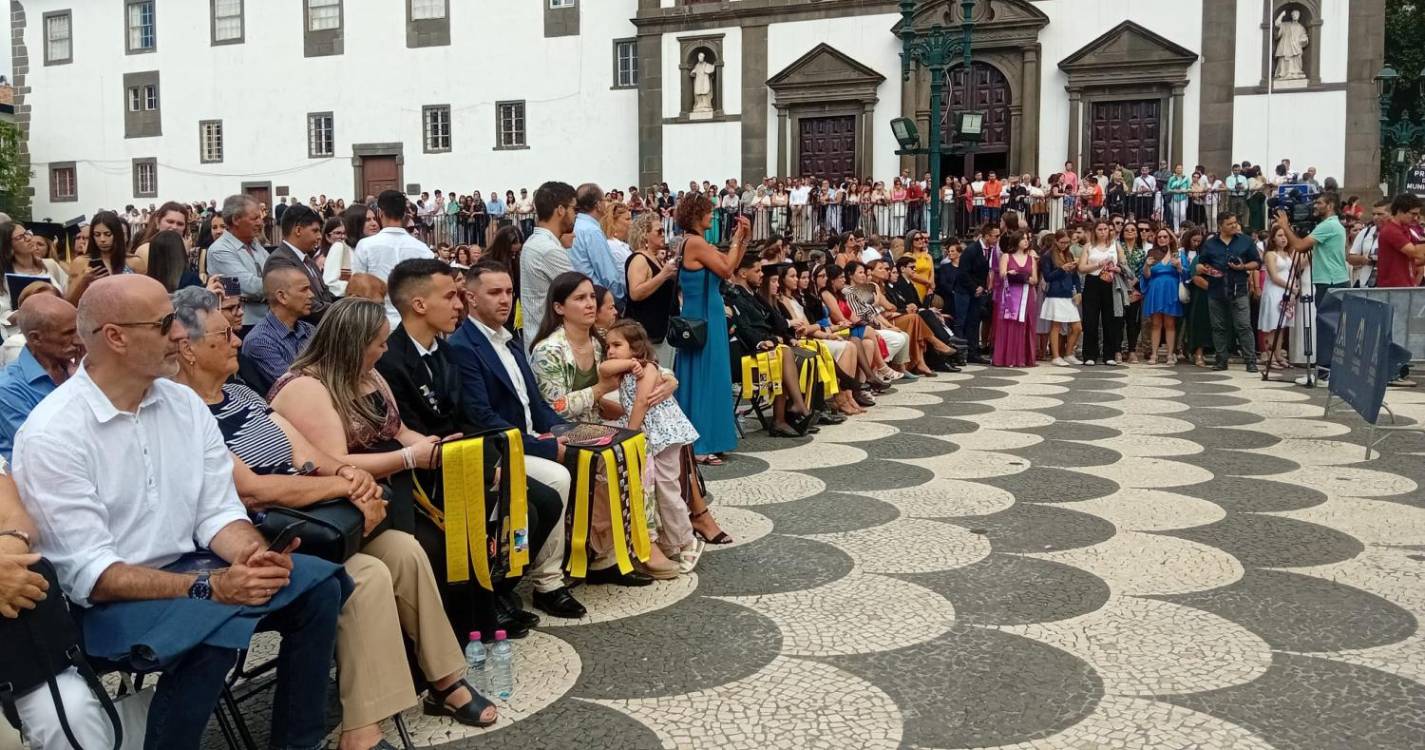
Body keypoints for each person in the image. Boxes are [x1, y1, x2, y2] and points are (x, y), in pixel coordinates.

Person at [12, 275, 345, 750]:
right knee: (214, 631)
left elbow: (216, 512)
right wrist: (210, 586)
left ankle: (298, 743)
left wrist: (251, 555)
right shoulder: (54, 434)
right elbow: (92, 576)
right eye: (165, 323)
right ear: (115, 337)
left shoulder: (182, 404)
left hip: (192, 575)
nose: (178, 335)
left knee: (317, 589)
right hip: (108, 605)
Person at [168, 287, 497, 749]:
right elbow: (250, 488)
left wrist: (349, 477)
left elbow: (312, 455)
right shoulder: (183, 412)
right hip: (266, 534)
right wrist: (345, 485)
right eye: (225, 333)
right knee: (367, 577)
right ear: (188, 348)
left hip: (319, 518)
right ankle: (362, 731)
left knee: (404, 549)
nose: (238, 340)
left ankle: (444, 680)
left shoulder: (240, 392)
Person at [374, 259, 576, 627]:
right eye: (450, 296)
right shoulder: (392, 359)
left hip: (466, 454)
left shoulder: (444, 350)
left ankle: (500, 586)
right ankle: (488, 597)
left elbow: (466, 419)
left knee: (541, 501)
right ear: (419, 305)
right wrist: (488, 463)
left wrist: (493, 460)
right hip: (424, 472)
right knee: (531, 504)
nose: (458, 305)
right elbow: (409, 430)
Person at [448, 261, 604, 607]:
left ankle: (597, 556)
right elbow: (481, 418)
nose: (505, 300)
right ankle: (547, 583)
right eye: (495, 293)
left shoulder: (511, 339)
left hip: (531, 438)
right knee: (558, 476)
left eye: (509, 292)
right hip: (498, 448)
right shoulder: (462, 346)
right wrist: (546, 446)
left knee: (601, 451)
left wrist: (565, 433)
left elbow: (536, 403)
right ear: (470, 298)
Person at [528, 272, 682, 579]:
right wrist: (599, 391)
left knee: (652, 440)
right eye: (580, 298)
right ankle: (629, 546)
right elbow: (553, 409)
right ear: (559, 308)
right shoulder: (548, 351)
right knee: (628, 452)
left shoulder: (600, 343)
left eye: (591, 298)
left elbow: (642, 360)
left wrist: (669, 380)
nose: (590, 304)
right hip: (562, 432)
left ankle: (635, 542)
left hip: (600, 424)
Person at [674, 194, 748, 466]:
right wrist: (738, 238)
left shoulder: (694, 242)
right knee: (705, 378)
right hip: (704, 315)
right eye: (709, 211)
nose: (713, 216)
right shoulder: (694, 243)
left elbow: (730, 265)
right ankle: (701, 444)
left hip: (703, 312)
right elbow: (728, 270)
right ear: (696, 214)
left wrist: (743, 239)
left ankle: (709, 440)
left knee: (709, 376)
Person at [1275, 192, 1347, 383]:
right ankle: (1326, 371)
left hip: (1330, 281)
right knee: (1328, 326)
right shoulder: (1332, 225)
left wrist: (1285, 227)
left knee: (1326, 327)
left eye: (1319, 203)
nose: (1315, 206)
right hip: (1332, 279)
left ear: (1330, 205)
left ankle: (1324, 373)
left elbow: (1299, 246)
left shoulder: (1328, 225)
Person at [0, 295, 81, 462]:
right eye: (68, 333)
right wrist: (79, 386)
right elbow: (45, 451)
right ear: (36, 338)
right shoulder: (8, 388)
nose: (78, 339)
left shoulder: (75, 368)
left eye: (78, 329)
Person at [352, 190, 436, 327]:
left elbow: (358, 288)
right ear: (404, 214)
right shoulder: (423, 249)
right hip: (414, 322)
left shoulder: (365, 246)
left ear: (380, 212)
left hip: (377, 322)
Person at [1200, 211, 1261, 372]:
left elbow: (1256, 262)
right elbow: (1201, 264)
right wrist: (1208, 270)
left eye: (1235, 222)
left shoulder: (1246, 241)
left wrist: (1243, 267)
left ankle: (1250, 360)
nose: (1234, 225)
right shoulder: (1210, 244)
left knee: (1244, 325)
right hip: (1216, 289)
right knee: (1218, 326)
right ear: (1220, 226)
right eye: (1230, 224)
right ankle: (1221, 360)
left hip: (1238, 288)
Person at [240, 263, 315, 394]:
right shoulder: (260, 341)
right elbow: (295, 388)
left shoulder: (309, 329)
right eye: (304, 290)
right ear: (282, 296)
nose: (311, 295)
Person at [520, 182, 578, 348]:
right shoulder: (548, 250)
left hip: (541, 339)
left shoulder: (535, 242)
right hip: (550, 346)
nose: (575, 216)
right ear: (561, 210)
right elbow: (579, 291)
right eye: (574, 209)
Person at [207, 194, 272, 331]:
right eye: (255, 218)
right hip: (243, 324)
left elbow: (274, 270)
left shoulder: (254, 244)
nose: (260, 223)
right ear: (236, 219)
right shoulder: (219, 250)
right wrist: (286, 285)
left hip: (266, 319)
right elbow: (249, 286)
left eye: (260, 217)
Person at [624, 213, 680, 366]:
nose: (663, 235)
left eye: (663, 231)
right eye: (659, 231)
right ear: (644, 235)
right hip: (647, 334)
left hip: (660, 332)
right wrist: (664, 274)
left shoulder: (655, 258)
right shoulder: (639, 259)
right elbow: (635, 293)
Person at [267, 204, 335, 322]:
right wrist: (340, 311)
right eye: (315, 231)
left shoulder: (307, 259)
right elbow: (299, 303)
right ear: (298, 230)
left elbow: (325, 295)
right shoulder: (279, 260)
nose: (319, 237)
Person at [1077, 218, 1128, 366]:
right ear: (1094, 231)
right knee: (1090, 319)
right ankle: (1089, 354)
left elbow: (1124, 265)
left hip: (1110, 282)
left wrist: (1116, 268)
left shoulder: (1115, 245)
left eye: (1106, 229)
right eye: (1100, 229)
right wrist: (1098, 264)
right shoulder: (1088, 246)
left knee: (1110, 319)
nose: (1103, 232)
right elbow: (1081, 268)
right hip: (1093, 281)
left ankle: (1109, 354)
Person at [569, 184, 627, 304]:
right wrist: (619, 300)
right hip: (599, 299)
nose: (606, 204)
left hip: (582, 295)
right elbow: (608, 274)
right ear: (598, 205)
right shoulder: (592, 231)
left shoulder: (578, 225)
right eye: (604, 200)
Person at [991, 231, 1039, 367]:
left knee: (1025, 323)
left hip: (1026, 293)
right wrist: (1009, 274)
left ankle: (1023, 357)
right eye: (1023, 239)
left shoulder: (1031, 259)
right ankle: (1007, 357)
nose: (1026, 241)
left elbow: (1035, 279)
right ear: (1016, 241)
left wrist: (1026, 278)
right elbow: (1001, 274)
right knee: (1008, 323)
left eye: (1027, 239)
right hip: (1009, 294)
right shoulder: (1006, 256)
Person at [953, 223, 996, 364]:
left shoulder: (990, 250)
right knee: (961, 321)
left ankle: (973, 351)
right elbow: (963, 272)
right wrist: (974, 287)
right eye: (995, 236)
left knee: (974, 321)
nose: (997, 238)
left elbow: (984, 272)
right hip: (964, 291)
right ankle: (959, 352)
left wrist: (982, 287)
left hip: (977, 291)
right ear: (987, 235)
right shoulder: (972, 250)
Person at [1039, 230, 1083, 366]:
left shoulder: (1069, 254)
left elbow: (1075, 276)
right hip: (1056, 294)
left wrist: (1079, 291)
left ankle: (1069, 353)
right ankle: (1056, 356)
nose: (1064, 245)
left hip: (1068, 294)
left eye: (1067, 242)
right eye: (1062, 242)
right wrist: (1062, 269)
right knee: (1056, 326)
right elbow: (1047, 276)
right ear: (1056, 241)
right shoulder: (1047, 256)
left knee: (1077, 327)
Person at [1141, 232, 1185, 365]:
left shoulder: (1177, 254)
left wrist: (1178, 265)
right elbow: (1146, 276)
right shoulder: (1151, 253)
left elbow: (1186, 273)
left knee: (1170, 323)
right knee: (1155, 324)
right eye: (1159, 237)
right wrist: (1147, 265)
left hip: (1171, 290)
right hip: (1155, 290)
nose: (1162, 239)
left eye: (1165, 237)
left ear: (1170, 238)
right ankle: (1154, 354)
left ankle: (1170, 354)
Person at [1257, 225, 1296, 369]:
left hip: (1286, 292)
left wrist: (1293, 289)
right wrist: (1291, 287)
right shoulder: (1270, 255)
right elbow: (1274, 276)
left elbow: (1292, 273)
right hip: (1274, 291)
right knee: (1273, 324)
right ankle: (1270, 355)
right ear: (1273, 238)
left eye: (1285, 235)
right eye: (1280, 235)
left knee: (1283, 325)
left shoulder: (1288, 254)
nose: (1283, 238)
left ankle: (1279, 354)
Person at [326, 204, 380, 300]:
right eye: (368, 220)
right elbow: (330, 283)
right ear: (356, 223)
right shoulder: (341, 248)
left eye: (374, 219)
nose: (374, 223)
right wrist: (361, 289)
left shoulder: (375, 249)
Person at [1374, 193, 1425, 289]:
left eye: (1417, 214)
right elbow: (1414, 252)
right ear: (1400, 211)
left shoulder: (1406, 229)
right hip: (1393, 289)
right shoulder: (1390, 230)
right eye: (1413, 214)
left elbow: (1418, 258)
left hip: (1405, 287)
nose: (1416, 218)